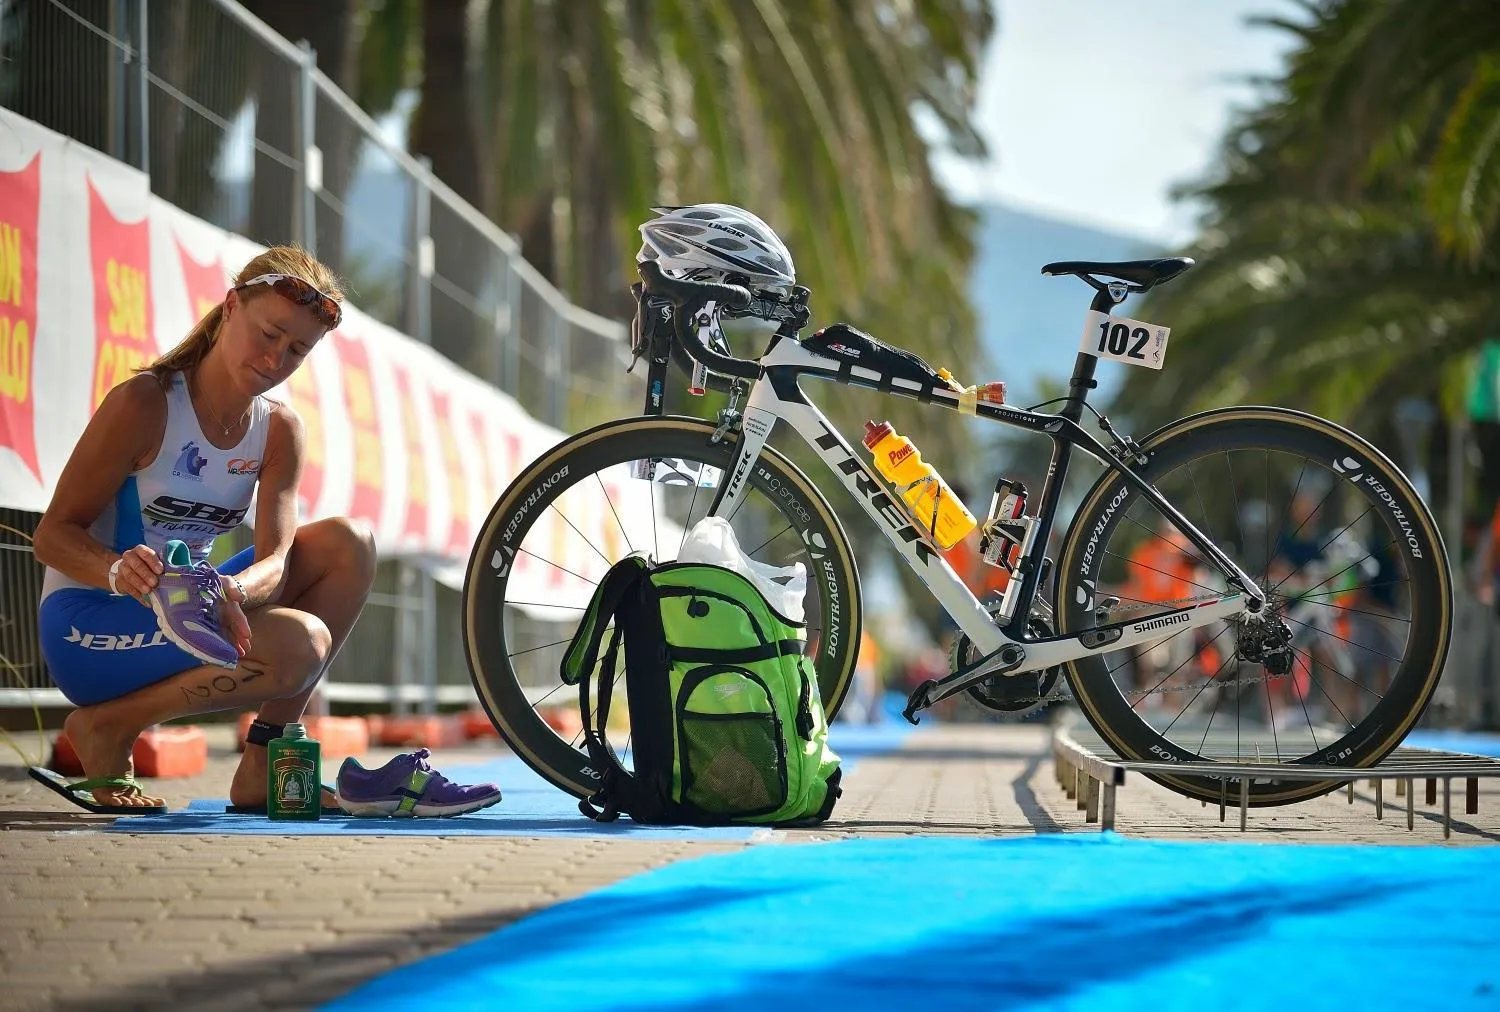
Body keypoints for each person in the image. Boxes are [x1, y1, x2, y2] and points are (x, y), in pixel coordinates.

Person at [30, 245, 499, 817]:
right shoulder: (145, 403)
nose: (277, 357)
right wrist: (115, 568)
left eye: (297, 349)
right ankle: (109, 726)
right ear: (230, 307)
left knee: (350, 543)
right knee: (301, 645)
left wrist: (233, 592)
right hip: (92, 623)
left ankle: (262, 765)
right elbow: (52, 536)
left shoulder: (279, 429)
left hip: (190, 603)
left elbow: (275, 563)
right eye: (269, 334)